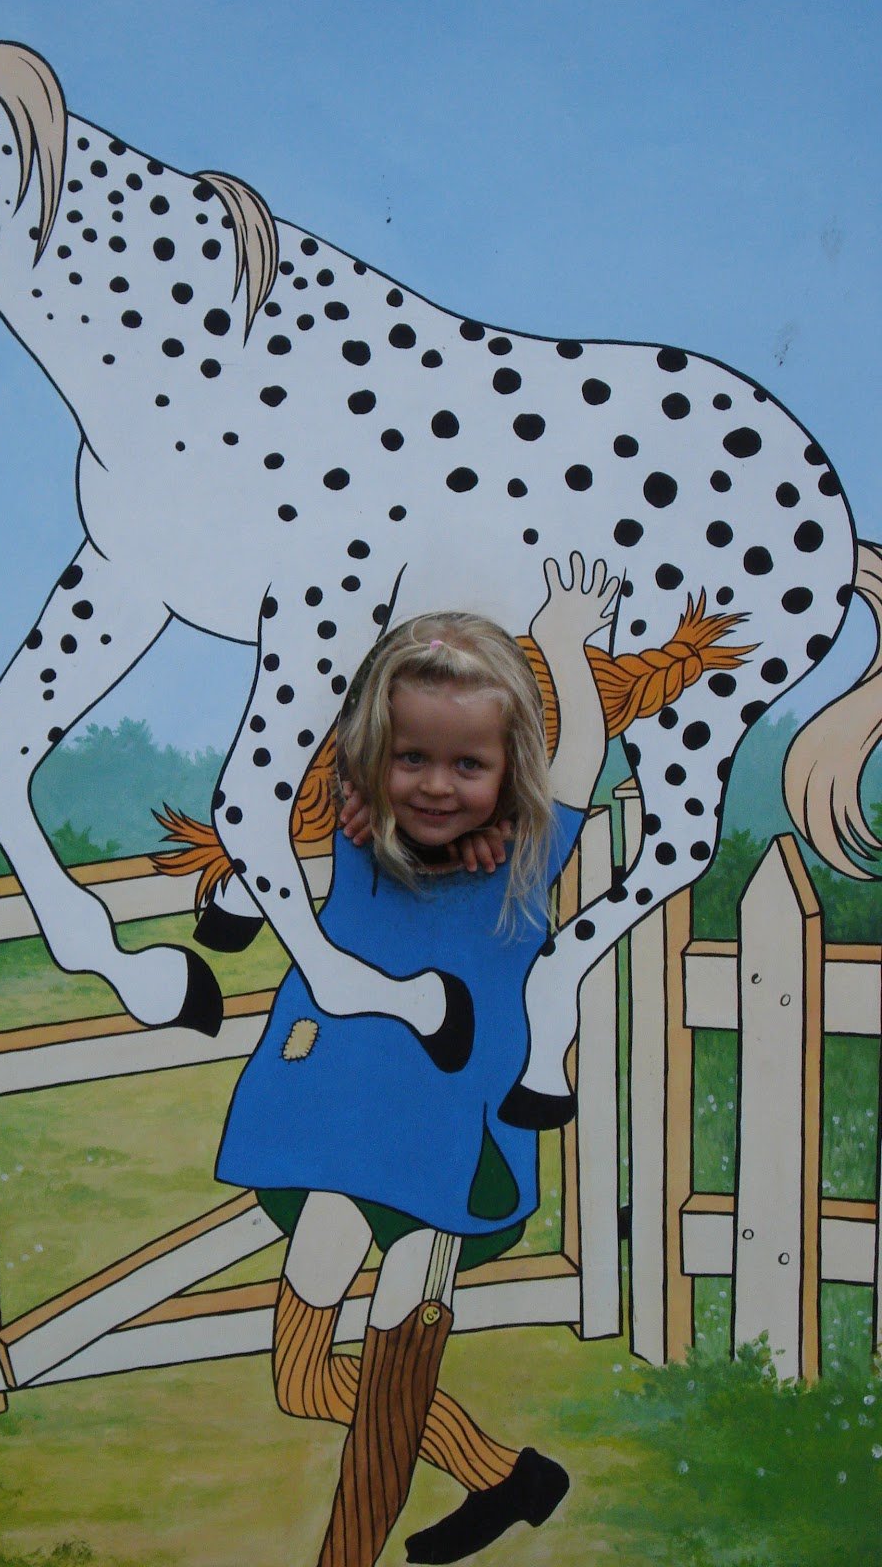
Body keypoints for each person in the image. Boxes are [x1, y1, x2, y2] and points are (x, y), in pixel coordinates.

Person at [215, 553, 619, 1566]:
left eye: (468, 764)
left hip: (449, 1151)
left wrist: (562, 645)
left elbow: (583, 754)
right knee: (303, 1379)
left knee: (393, 1385)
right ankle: (511, 1476)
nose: (437, 784)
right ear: (374, 754)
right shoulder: (353, 832)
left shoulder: (528, 857)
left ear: (508, 768)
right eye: (412, 758)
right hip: (339, 1139)